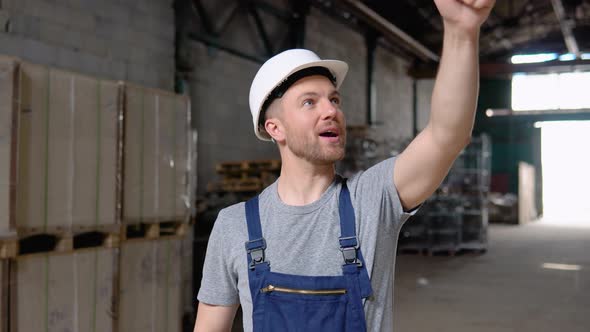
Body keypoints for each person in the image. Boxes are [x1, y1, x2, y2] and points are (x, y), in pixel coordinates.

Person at [194, 0, 495, 331]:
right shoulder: (234, 225)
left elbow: (447, 136)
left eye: (334, 99)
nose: (331, 110)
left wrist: (461, 31)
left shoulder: (371, 200)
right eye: (310, 101)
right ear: (275, 128)